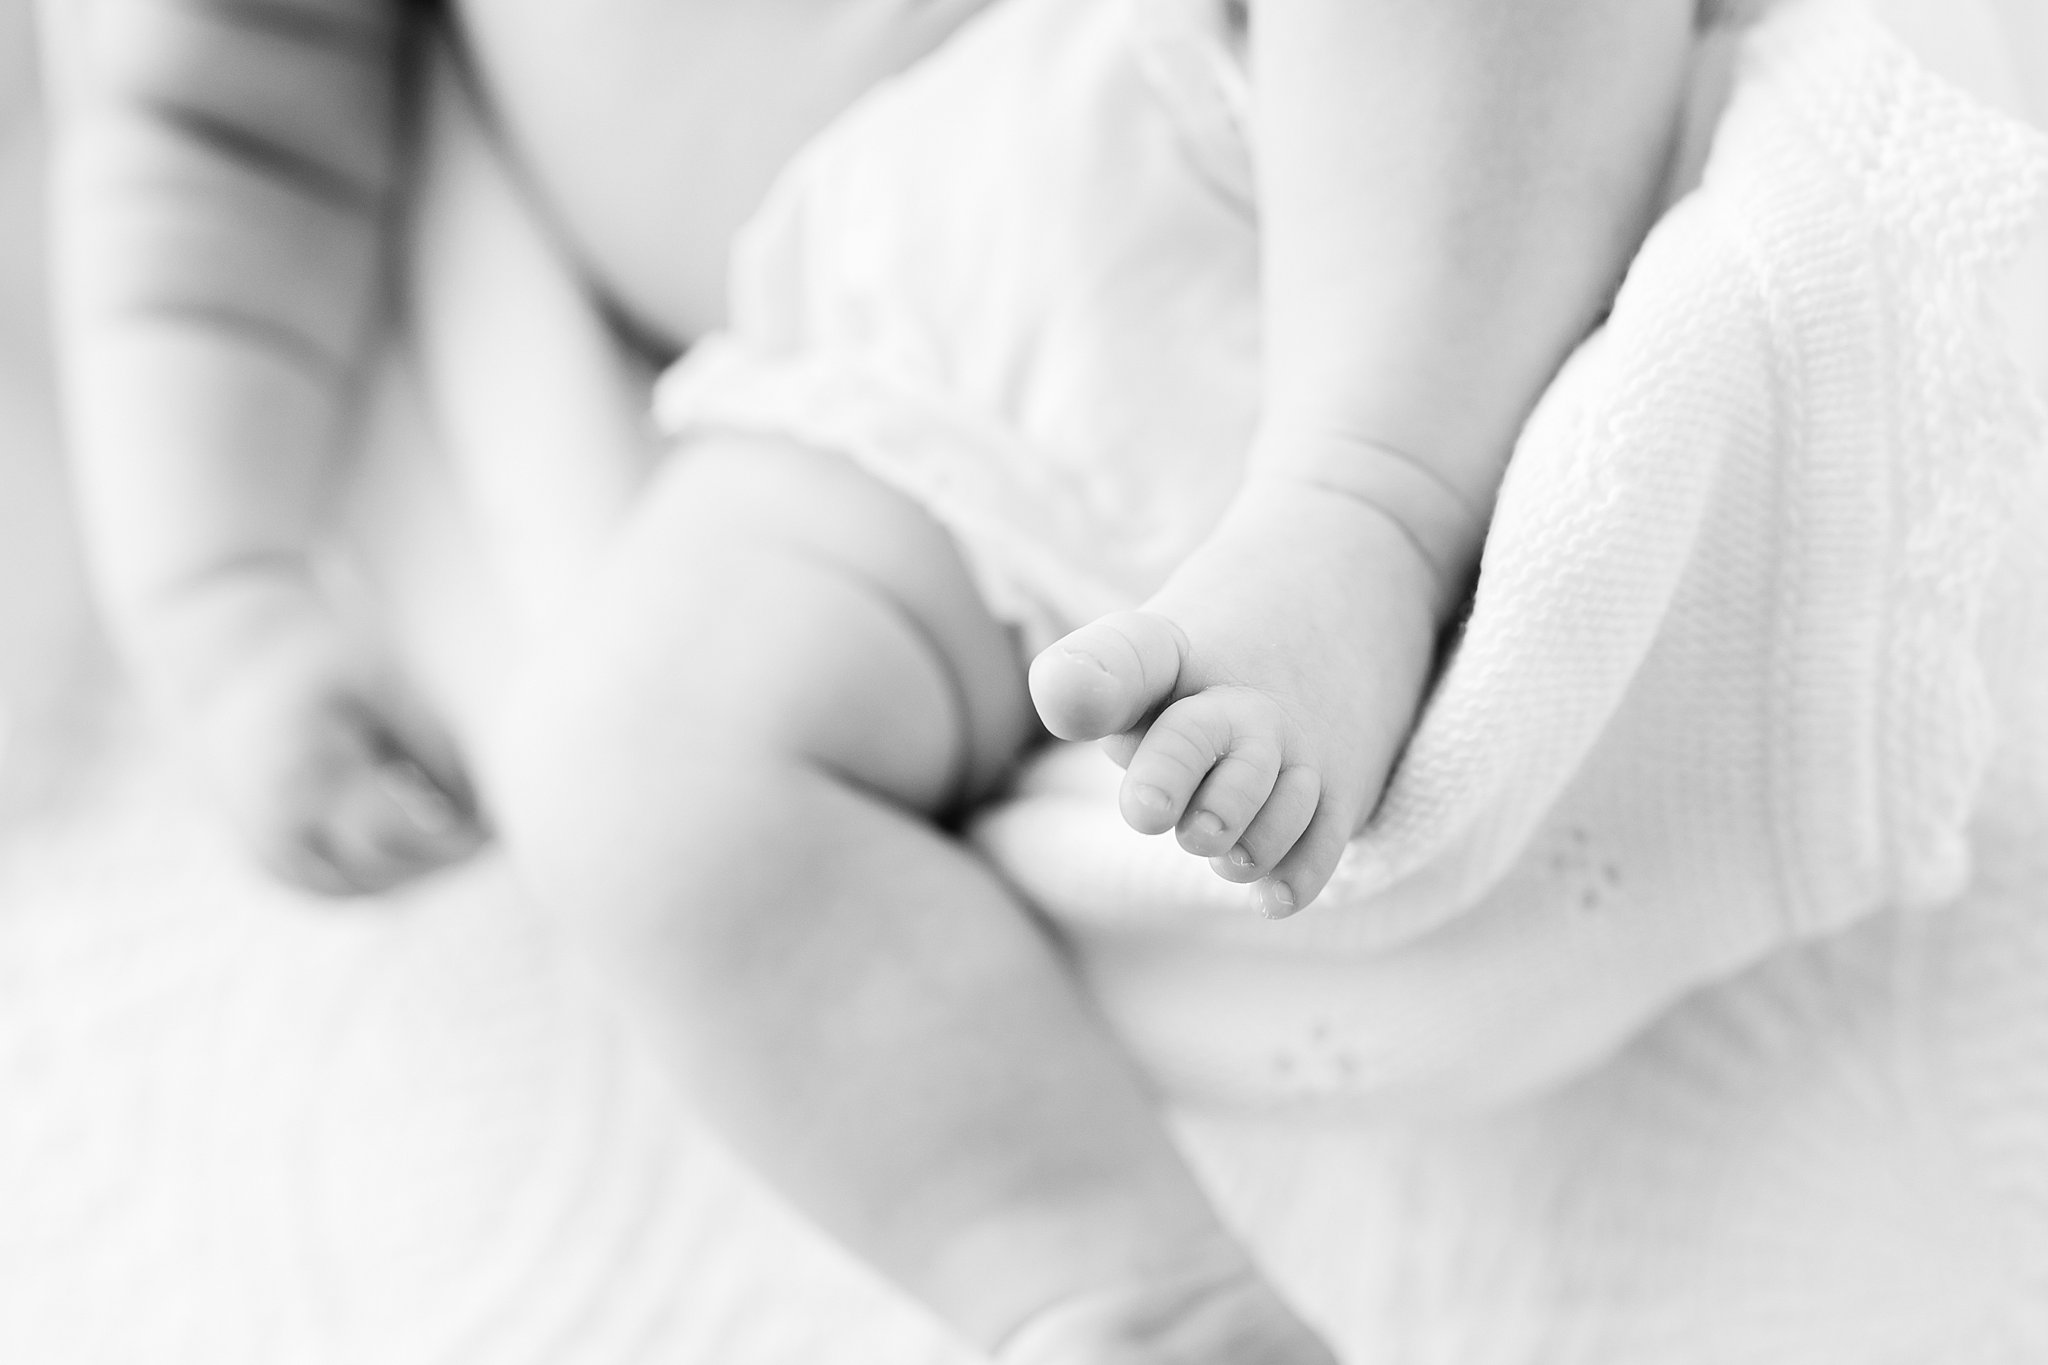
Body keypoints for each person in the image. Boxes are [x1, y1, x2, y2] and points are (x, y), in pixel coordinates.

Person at [45, 0, 1695, 1358]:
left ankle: (1364, 506)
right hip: (910, 369)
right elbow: (208, 140)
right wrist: (223, 598)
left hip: (1279, 79)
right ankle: (1113, 1283)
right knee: (634, 779)